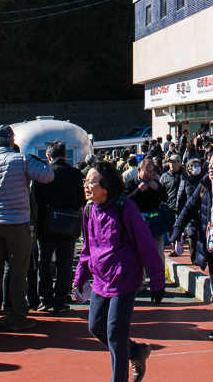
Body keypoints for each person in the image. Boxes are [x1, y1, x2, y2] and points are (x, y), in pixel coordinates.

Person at [73, 160, 165, 382]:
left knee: (115, 333)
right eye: (85, 182)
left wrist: (157, 281)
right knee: (95, 326)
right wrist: (80, 278)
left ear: (105, 186)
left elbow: (147, 244)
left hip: (124, 278)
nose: (86, 186)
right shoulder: (88, 210)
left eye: (90, 182)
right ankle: (136, 351)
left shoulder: (127, 208)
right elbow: (87, 247)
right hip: (100, 280)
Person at [0, 125, 53, 332]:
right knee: (19, 272)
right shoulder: (22, 160)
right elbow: (48, 176)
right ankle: (18, 317)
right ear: (12, 141)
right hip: (17, 222)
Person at [170, 150, 213, 341]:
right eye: (210, 162)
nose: (210, 166)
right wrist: (177, 230)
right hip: (211, 243)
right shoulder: (205, 184)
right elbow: (189, 208)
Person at [33, 140, 85, 313]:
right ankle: (61, 299)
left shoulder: (42, 174)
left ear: (48, 156)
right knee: (65, 264)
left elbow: (37, 200)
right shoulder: (75, 174)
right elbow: (81, 201)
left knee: (45, 262)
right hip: (68, 224)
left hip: (46, 224)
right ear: (65, 155)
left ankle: (45, 298)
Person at [124, 158, 167, 266]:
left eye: (152, 172)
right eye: (146, 171)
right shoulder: (130, 184)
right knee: (139, 253)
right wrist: (138, 191)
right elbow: (125, 202)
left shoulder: (155, 183)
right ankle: (140, 280)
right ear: (139, 170)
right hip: (138, 223)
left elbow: (165, 198)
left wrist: (157, 188)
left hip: (154, 223)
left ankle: (159, 278)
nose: (149, 174)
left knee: (158, 252)